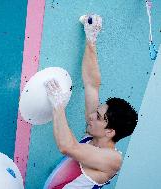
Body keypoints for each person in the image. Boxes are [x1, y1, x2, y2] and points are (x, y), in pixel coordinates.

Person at [44, 14, 138, 189]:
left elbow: (67, 146)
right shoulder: (95, 134)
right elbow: (91, 85)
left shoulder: (113, 160)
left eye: (98, 116)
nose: (91, 116)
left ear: (110, 131)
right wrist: (91, 39)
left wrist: (58, 105)